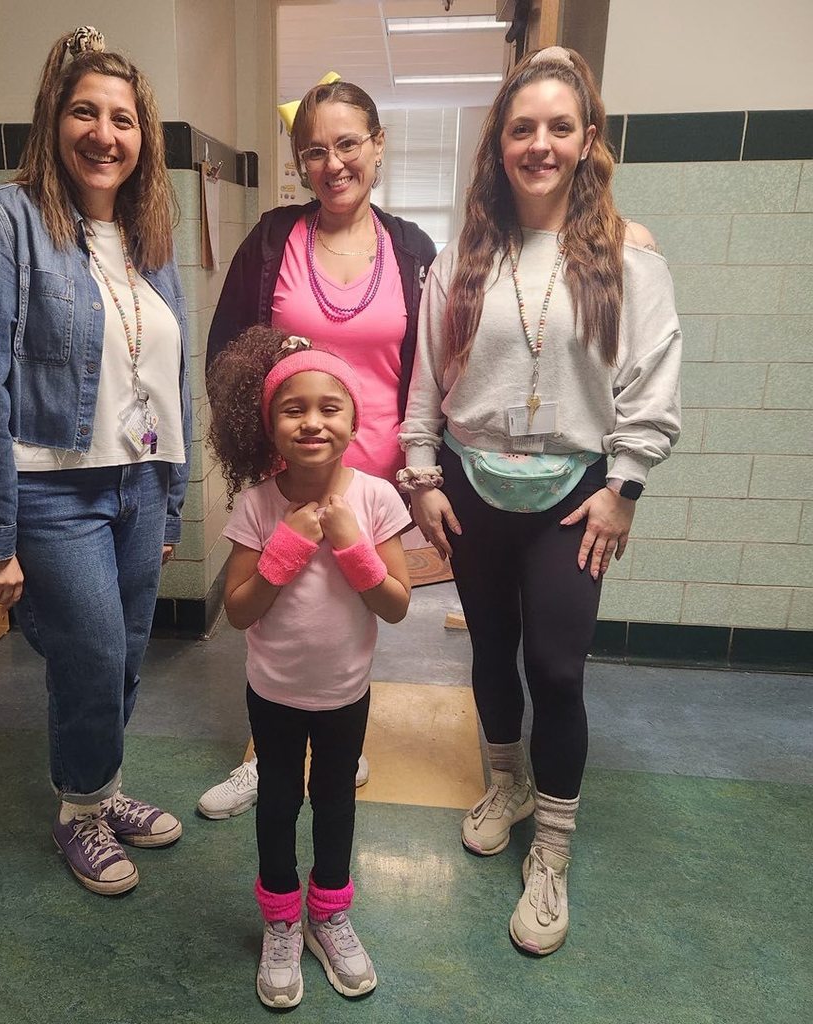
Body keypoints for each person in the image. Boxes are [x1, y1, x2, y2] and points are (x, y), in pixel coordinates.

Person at [399, 46, 681, 955]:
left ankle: (551, 849)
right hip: (473, 487)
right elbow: (421, 390)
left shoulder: (630, 262)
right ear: (499, 144)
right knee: (490, 650)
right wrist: (423, 478)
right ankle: (507, 781)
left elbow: (650, 383)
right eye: (523, 128)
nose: (541, 144)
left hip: (573, 497)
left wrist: (624, 490)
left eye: (560, 127)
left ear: (587, 141)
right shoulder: (456, 262)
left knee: (556, 670)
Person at [0, 26, 191, 896]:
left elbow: (170, 383)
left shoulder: (150, 244)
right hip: (50, 491)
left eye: (123, 119)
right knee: (88, 650)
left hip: (141, 484)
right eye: (85, 111)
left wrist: (172, 500)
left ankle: (101, 788)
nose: (105, 134)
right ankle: (79, 811)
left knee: (122, 656)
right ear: (52, 120)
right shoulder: (0, 221)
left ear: (142, 137)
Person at [197, 76, 437, 820]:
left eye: (348, 144)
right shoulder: (273, 240)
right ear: (300, 163)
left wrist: (421, 471)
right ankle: (266, 756)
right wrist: (255, 449)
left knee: (349, 613)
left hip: (372, 479)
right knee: (275, 611)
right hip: (285, 475)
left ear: (377, 146)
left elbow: (437, 365)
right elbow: (227, 356)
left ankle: (340, 737)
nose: (333, 163)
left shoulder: (413, 249)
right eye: (314, 152)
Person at [208, 327, 411, 1007]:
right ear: (271, 426)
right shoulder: (259, 505)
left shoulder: (378, 500)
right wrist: (287, 548)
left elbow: (398, 605)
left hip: (345, 695)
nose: (313, 421)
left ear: (354, 421)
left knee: (333, 802)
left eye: (331, 407)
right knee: (277, 802)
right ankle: (280, 924)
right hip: (273, 694)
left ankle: (327, 915)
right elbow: (238, 611)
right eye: (294, 409)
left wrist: (355, 549)